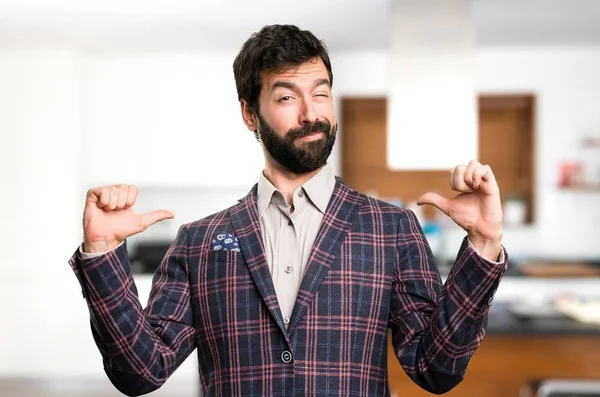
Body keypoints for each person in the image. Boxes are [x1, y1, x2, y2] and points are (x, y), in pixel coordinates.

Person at [68, 24, 508, 397]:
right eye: (285, 98)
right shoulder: (199, 241)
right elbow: (141, 372)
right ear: (249, 114)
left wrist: (484, 246)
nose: (310, 114)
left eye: (321, 94)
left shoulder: (391, 228)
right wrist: (103, 253)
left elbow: (436, 369)